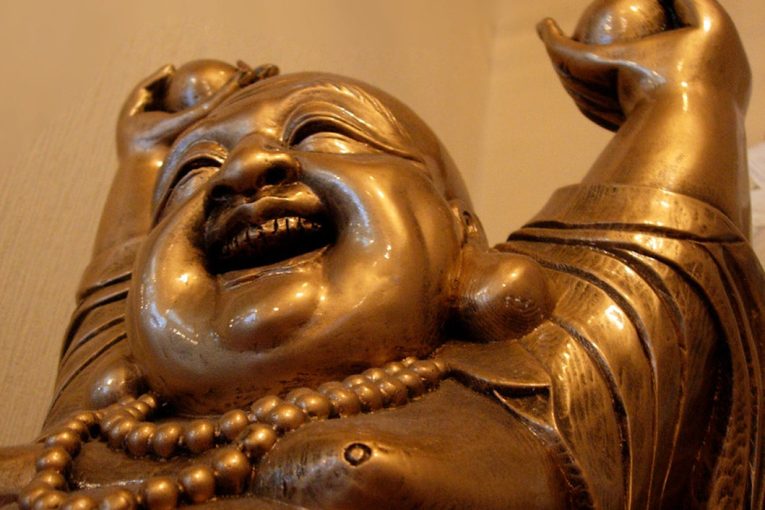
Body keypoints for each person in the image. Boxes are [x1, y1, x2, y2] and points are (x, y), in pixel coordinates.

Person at [2, 0, 763, 508]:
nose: (241, 172)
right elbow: (117, 294)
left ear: (461, 237)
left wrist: (683, 94)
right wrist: (145, 163)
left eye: (321, 132)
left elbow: (652, 257)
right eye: (196, 171)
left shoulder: (527, 396)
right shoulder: (89, 432)